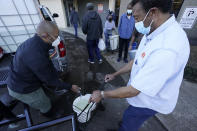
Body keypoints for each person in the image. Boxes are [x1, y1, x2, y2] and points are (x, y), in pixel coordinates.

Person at [89, 0, 190, 131]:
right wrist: (115, 74)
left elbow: (133, 91)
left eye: (137, 18)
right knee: (129, 115)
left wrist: (101, 94)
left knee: (130, 120)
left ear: (153, 12)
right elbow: (137, 60)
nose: (136, 23)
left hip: (149, 101)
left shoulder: (167, 48)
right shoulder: (154, 31)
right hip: (140, 93)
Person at [7, 20, 81, 118]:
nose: (57, 39)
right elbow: (49, 80)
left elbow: (48, 65)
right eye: (55, 36)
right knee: (45, 103)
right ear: (45, 35)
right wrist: (70, 86)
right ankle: (48, 114)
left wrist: (57, 73)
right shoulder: (36, 55)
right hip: (23, 88)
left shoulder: (35, 43)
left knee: (49, 92)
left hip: (22, 78)